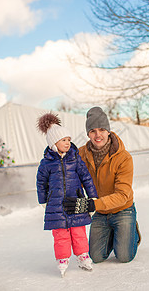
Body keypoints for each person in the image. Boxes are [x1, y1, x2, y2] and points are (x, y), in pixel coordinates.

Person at [63, 107, 141, 264]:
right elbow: (65, 170)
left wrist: (90, 204)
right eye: (92, 131)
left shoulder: (123, 158)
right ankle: (115, 233)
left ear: (108, 132)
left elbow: (122, 195)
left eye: (102, 129)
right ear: (88, 134)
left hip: (123, 209)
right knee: (96, 257)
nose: (98, 135)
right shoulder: (81, 154)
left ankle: (131, 230)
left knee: (124, 256)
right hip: (100, 211)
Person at [36, 112, 98, 277]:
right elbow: (41, 182)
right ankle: (62, 259)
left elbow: (86, 177)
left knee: (79, 231)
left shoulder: (75, 159)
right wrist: (43, 200)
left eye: (69, 139)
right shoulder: (46, 163)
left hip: (76, 201)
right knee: (60, 234)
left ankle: (83, 256)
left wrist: (92, 197)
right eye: (64, 140)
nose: (68, 143)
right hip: (55, 205)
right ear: (54, 143)